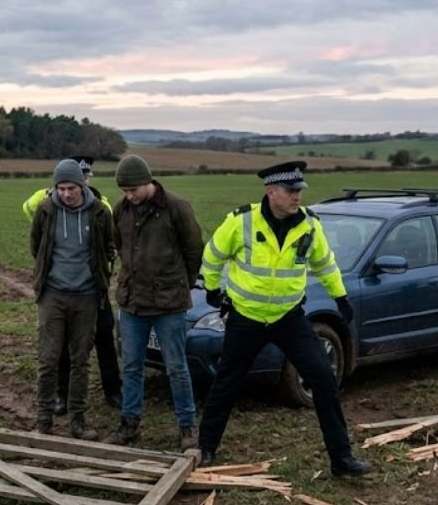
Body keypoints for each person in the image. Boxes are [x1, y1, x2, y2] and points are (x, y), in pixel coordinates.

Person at [197, 161, 369, 477]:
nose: (296, 197)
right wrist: (211, 289)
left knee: (324, 378)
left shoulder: (309, 226)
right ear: (271, 191)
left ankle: (342, 459)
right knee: (226, 383)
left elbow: (325, 264)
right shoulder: (241, 222)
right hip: (245, 317)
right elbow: (213, 255)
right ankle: (206, 447)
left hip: (289, 317)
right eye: (290, 191)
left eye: (299, 191)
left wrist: (340, 297)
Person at [106, 155, 204, 449]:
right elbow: (120, 246)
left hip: (169, 305)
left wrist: (180, 285)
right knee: (132, 366)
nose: (129, 195)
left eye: (133, 189)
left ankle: (188, 427)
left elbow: (194, 250)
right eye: (124, 190)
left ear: (148, 181)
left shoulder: (176, 208)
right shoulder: (120, 209)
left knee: (176, 367)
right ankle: (129, 424)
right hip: (133, 302)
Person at [21, 155, 123, 413]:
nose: (69, 192)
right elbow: (33, 229)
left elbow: (109, 236)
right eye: (63, 187)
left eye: (81, 181)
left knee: (104, 338)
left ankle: (113, 391)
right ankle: (61, 396)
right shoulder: (45, 203)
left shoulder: (101, 205)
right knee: (63, 347)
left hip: (92, 288)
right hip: (59, 289)